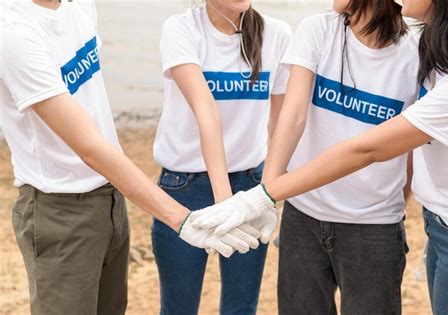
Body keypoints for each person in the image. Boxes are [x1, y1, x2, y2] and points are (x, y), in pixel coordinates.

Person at [191, 0, 448, 314]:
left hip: (374, 224)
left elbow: (397, 146)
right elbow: (292, 117)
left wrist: (394, 206)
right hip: (304, 213)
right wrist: (266, 195)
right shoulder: (319, 29)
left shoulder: (419, 52)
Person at [0, 1, 261, 314]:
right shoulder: (15, 33)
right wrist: (181, 219)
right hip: (59, 210)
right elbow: (89, 147)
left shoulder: (79, 6)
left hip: (110, 197)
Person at [150, 0, 291, 314]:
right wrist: (227, 203)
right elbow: (206, 113)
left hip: (250, 182)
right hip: (184, 188)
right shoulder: (182, 29)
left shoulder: (277, 34)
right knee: (179, 308)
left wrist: (267, 193)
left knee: (241, 308)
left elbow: (280, 123)